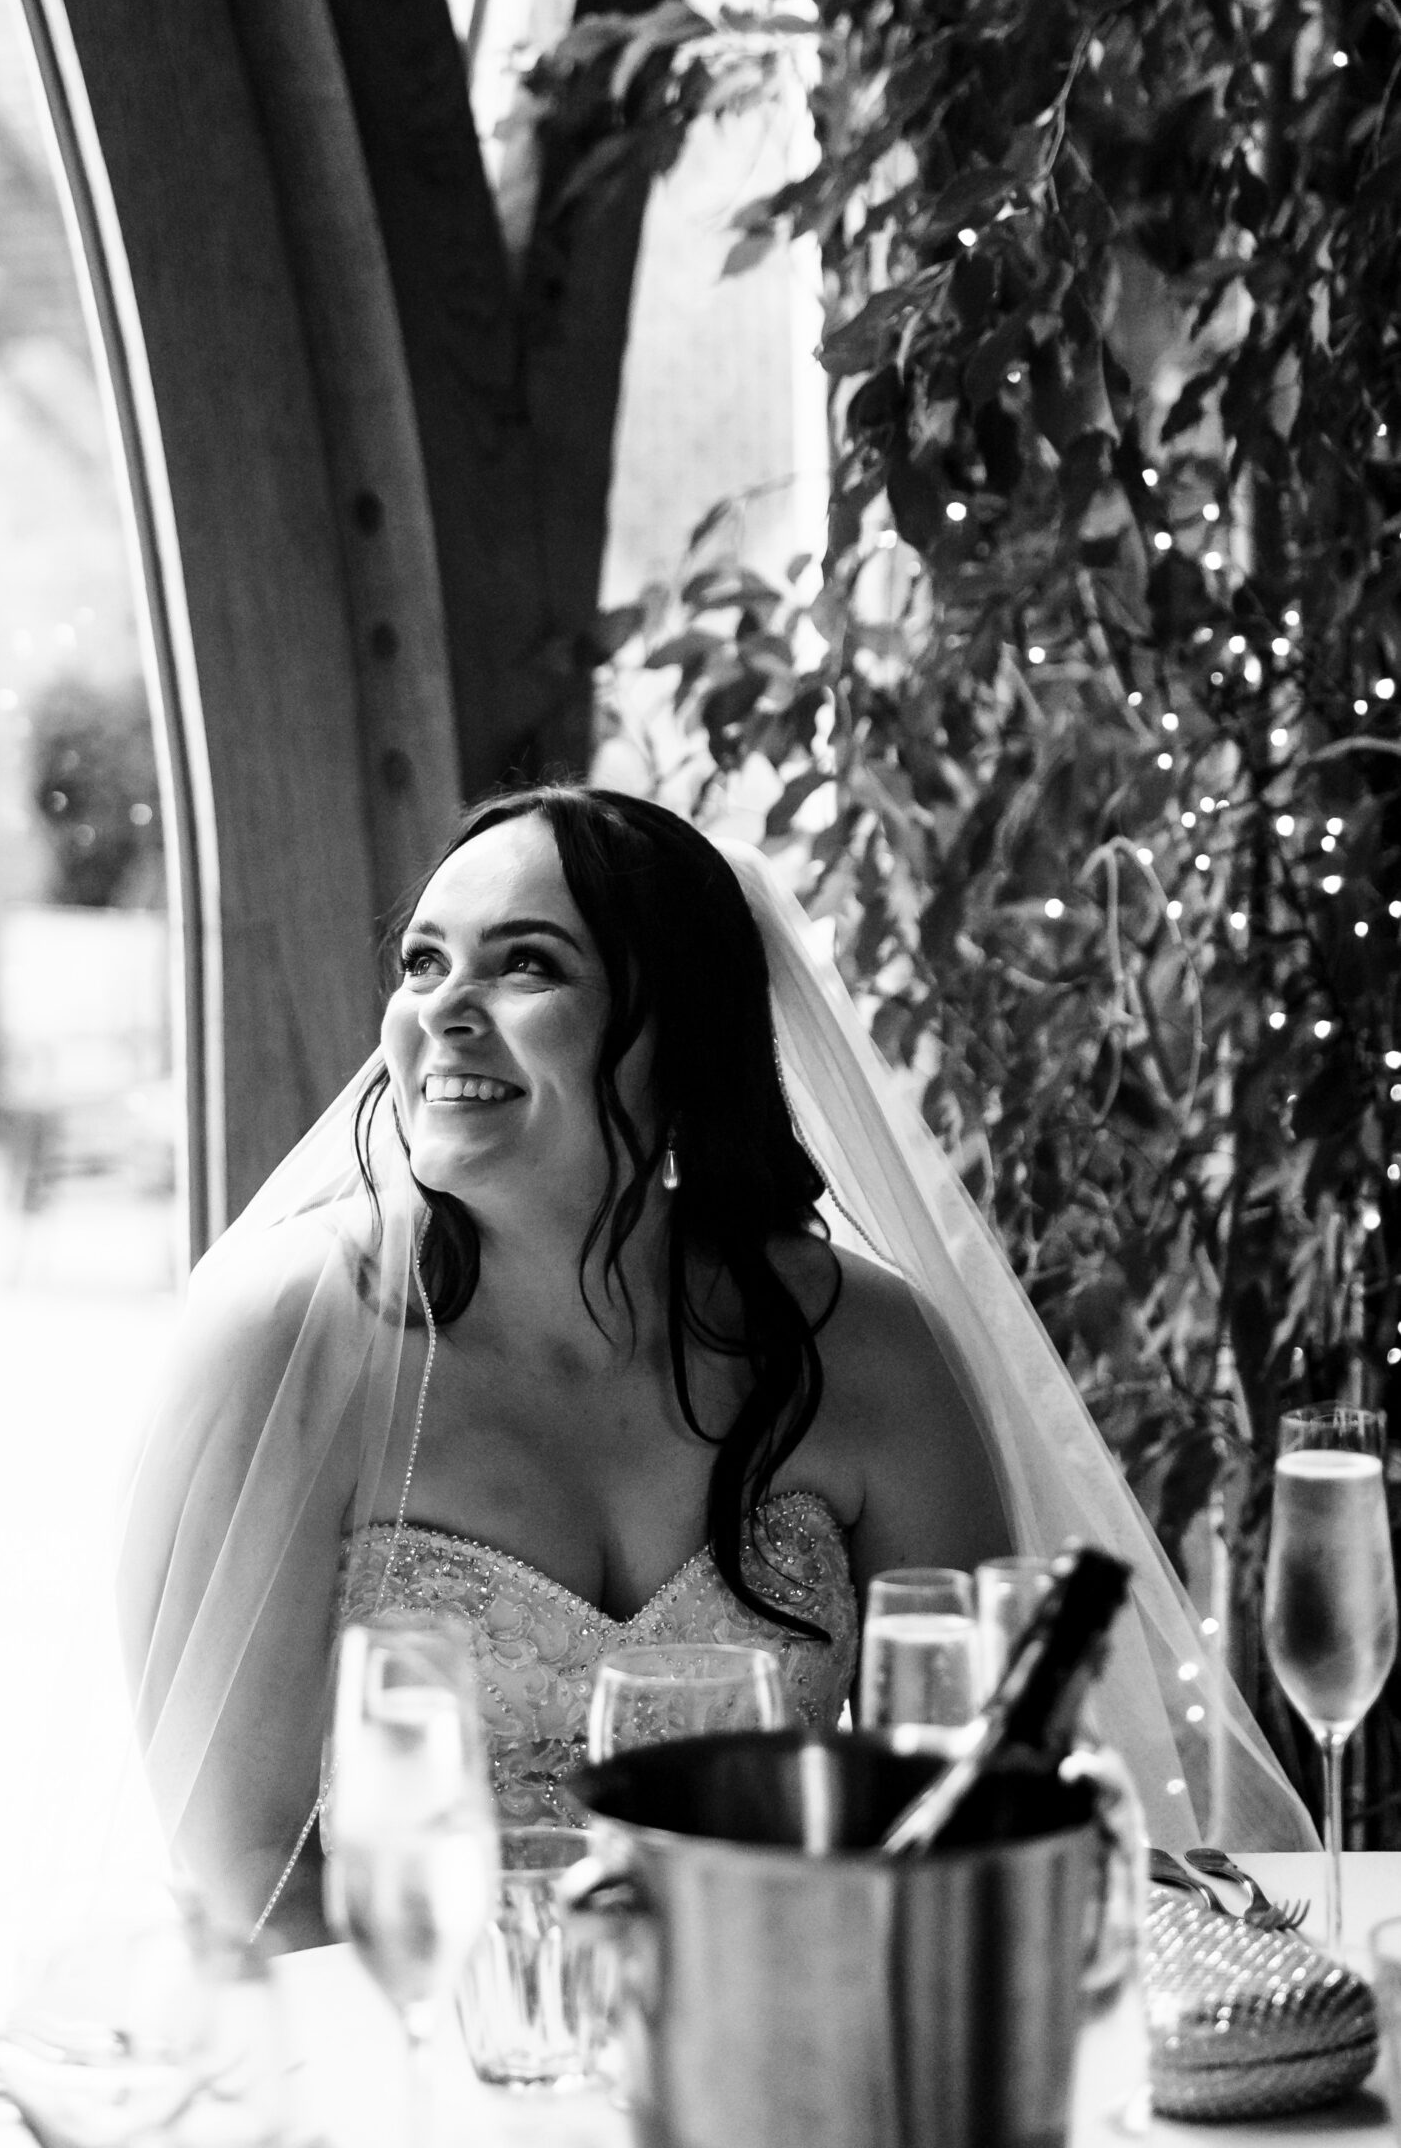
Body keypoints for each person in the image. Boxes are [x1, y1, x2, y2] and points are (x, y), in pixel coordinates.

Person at [118, 788, 1313, 1950]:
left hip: (788, 2061)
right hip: (403, 2064)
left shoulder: (862, 1347)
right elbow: (252, 1888)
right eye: (425, 962)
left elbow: (975, 1797)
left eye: (524, 965)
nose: (443, 1011)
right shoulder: (285, 1340)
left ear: (679, 1037)